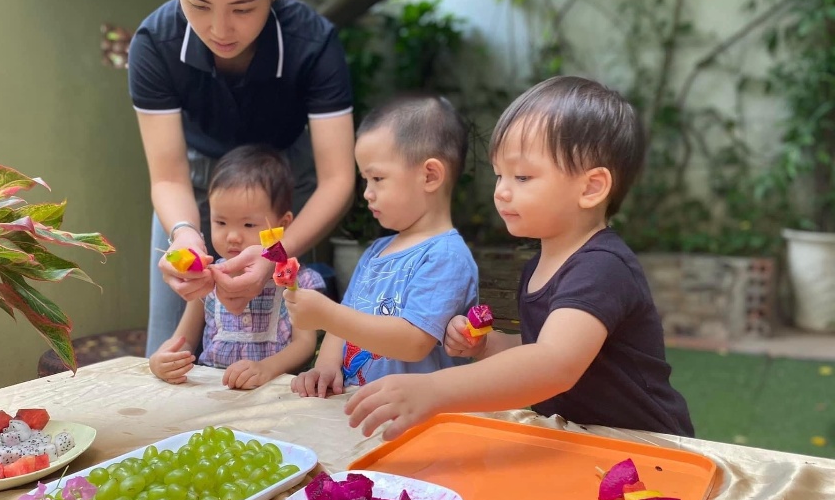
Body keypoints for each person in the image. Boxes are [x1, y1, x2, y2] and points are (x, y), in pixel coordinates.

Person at [345, 76, 695, 440]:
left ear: (591, 188)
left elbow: (553, 362)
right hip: (582, 440)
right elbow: (536, 346)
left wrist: (435, 389)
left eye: (523, 177)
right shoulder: (538, 265)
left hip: (646, 445)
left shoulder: (602, 267)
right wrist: (487, 344)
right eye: (500, 175)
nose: (501, 191)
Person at [128, 0, 355, 358]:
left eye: (243, 8)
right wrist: (185, 237)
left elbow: (338, 178)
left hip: (284, 190)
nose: (220, 28)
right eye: (198, 5)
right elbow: (168, 178)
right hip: (194, 189)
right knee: (169, 351)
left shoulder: (313, 43)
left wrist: (276, 252)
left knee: (286, 346)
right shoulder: (155, 44)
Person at [285, 94, 479, 397]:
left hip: (416, 415)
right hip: (358, 406)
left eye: (377, 178)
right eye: (365, 180)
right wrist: (326, 365)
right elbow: (346, 318)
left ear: (430, 176)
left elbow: (413, 343)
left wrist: (327, 315)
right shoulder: (376, 252)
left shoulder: (445, 257)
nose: (367, 193)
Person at [149, 145, 326, 389]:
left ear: (282, 224)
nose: (232, 236)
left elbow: (304, 344)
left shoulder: (297, 280)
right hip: (215, 392)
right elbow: (182, 340)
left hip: (275, 392)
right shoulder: (207, 279)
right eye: (220, 222)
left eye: (248, 225)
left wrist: (267, 369)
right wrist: (161, 360)